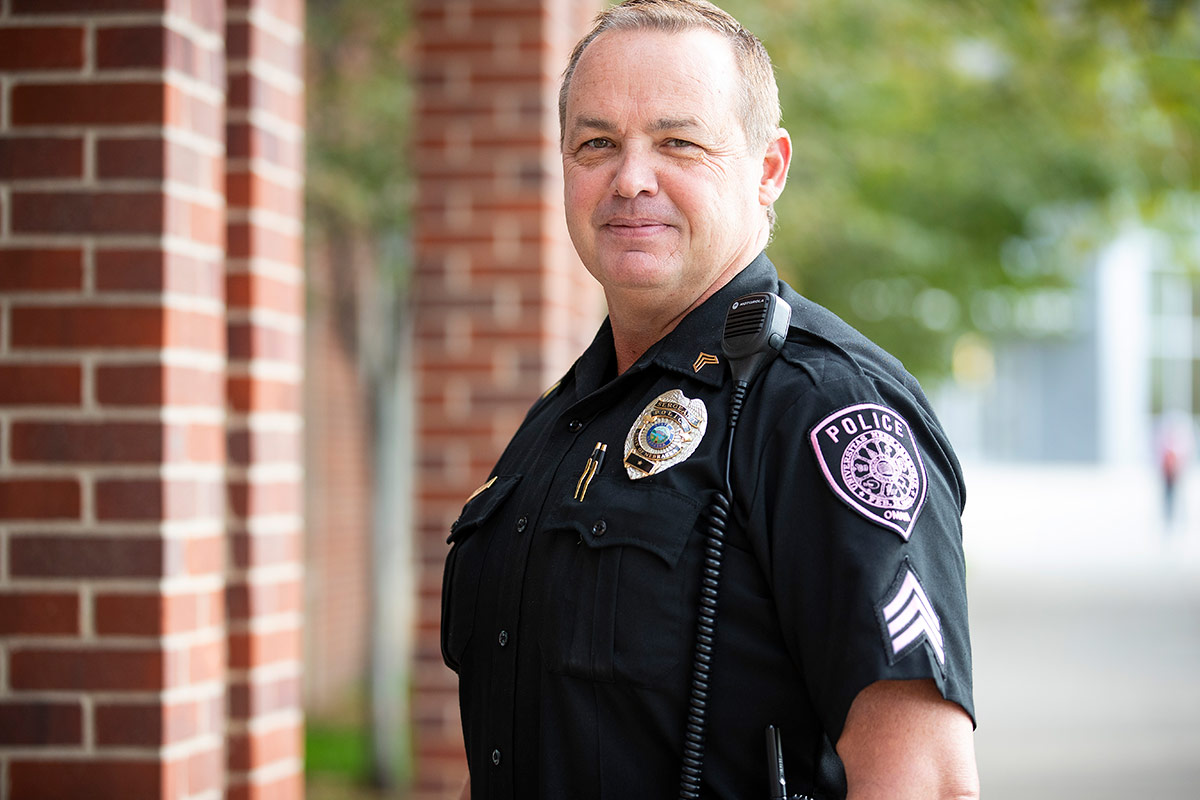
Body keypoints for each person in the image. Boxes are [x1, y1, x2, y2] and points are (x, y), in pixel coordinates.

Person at [440, 1, 979, 798]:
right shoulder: (561, 423)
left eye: (677, 142)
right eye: (597, 144)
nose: (630, 179)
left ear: (768, 168)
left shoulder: (822, 410)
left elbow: (923, 780)